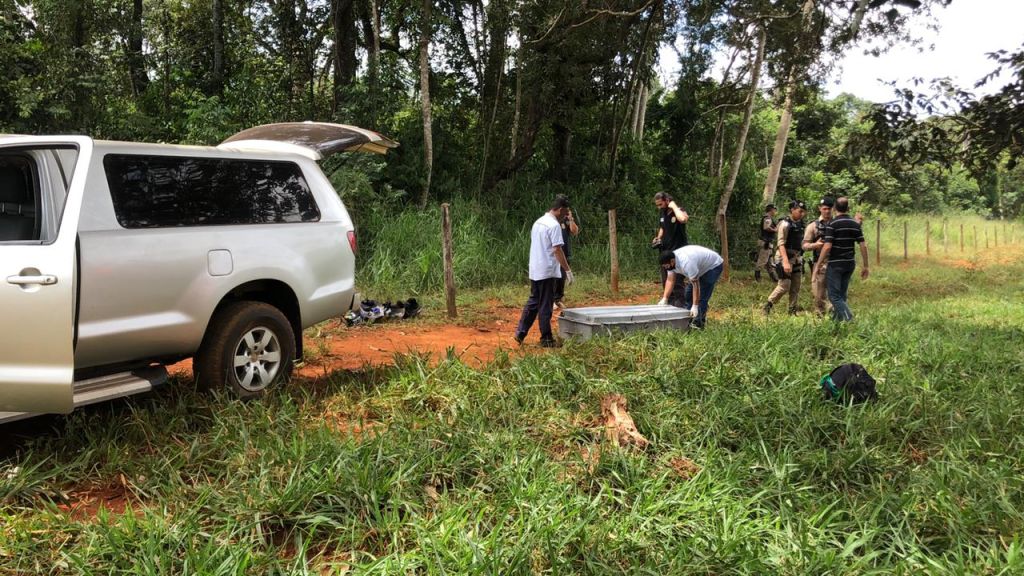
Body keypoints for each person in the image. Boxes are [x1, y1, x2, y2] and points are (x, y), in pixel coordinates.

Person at [515, 195, 574, 347]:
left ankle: (520, 333)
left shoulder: (539, 222)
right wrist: (567, 270)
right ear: (560, 210)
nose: (565, 216)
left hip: (535, 268)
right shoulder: (554, 226)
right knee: (545, 305)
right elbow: (558, 250)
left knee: (534, 301)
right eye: (565, 213)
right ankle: (546, 339)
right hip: (547, 270)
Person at [814, 197, 869, 321]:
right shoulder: (855, 224)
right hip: (849, 263)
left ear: (834, 208)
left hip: (835, 263)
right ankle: (836, 323)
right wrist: (866, 266)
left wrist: (818, 264)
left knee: (834, 296)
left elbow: (827, 246)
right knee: (841, 295)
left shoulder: (832, 224)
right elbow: (863, 245)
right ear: (848, 208)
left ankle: (849, 319)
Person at [657, 245, 724, 329]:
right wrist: (665, 298)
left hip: (713, 266)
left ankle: (698, 323)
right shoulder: (670, 262)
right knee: (688, 294)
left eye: (666, 266)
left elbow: (696, 285)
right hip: (700, 267)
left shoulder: (687, 263)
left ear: (672, 261)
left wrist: (695, 305)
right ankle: (688, 319)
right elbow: (670, 280)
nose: (666, 268)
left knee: (702, 296)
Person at [762, 200, 807, 316]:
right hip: (784, 257)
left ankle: (792, 310)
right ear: (792, 210)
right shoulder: (785, 224)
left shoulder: (801, 224)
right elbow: (781, 244)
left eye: (803, 212)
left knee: (796, 286)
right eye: (800, 211)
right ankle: (768, 305)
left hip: (797, 257)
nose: (802, 214)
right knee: (784, 285)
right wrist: (786, 262)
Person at [652, 192, 689, 304]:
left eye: (660, 204)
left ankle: (680, 306)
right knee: (666, 280)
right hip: (665, 251)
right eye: (657, 205)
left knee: (677, 281)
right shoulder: (662, 212)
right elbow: (662, 227)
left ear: (667, 200)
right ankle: (669, 304)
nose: (659, 207)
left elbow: (683, 219)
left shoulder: (679, 210)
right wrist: (658, 238)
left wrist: (674, 206)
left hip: (678, 251)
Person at [802, 197, 834, 317]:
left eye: (829, 209)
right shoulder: (813, 226)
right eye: (824, 209)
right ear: (819, 209)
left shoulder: (836, 224)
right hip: (819, 263)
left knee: (834, 292)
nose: (827, 211)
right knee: (818, 294)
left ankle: (833, 316)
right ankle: (819, 316)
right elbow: (804, 245)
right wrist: (815, 245)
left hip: (834, 262)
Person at [553, 207, 580, 310]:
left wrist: (571, 219)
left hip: (565, 252)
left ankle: (558, 299)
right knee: (555, 277)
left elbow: (575, 231)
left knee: (562, 276)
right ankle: (552, 300)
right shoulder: (553, 221)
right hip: (555, 253)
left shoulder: (566, 221)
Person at [755, 204, 778, 282]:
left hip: (768, 242)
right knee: (762, 260)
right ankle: (757, 277)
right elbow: (766, 227)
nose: (775, 211)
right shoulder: (767, 218)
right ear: (771, 210)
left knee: (770, 261)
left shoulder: (769, 218)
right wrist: (775, 230)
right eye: (774, 210)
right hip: (765, 242)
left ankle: (774, 278)